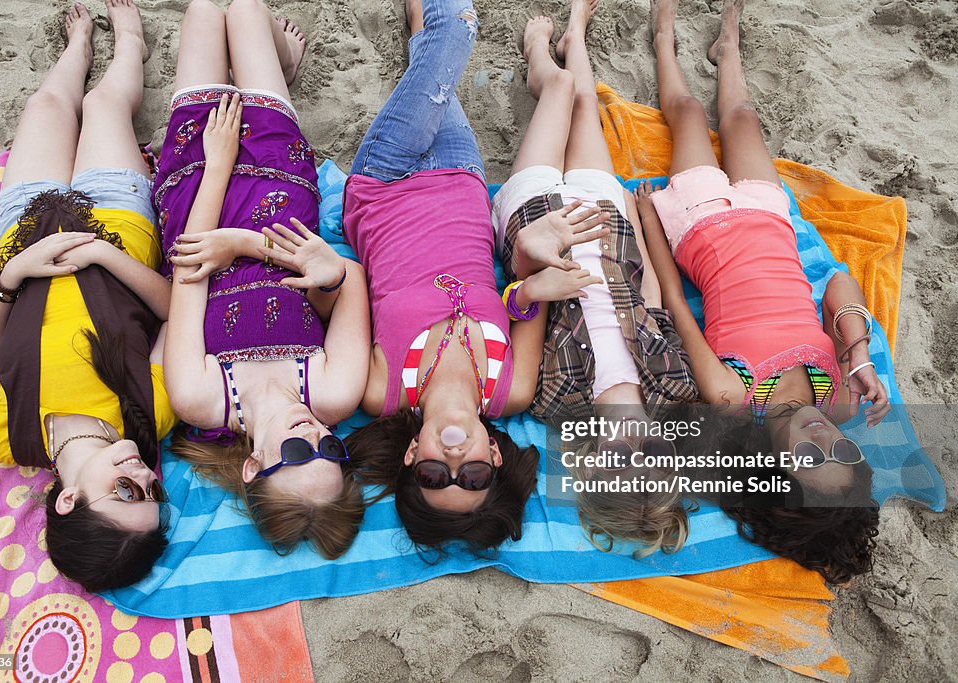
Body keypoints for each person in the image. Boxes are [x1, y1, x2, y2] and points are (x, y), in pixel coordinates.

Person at [342, 0, 605, 554]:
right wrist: (534, 279)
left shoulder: (379, 392)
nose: (456, 463)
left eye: (437, 478)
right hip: (463, 179)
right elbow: (520, 292)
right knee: (434, 66)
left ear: (412, 459)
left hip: (384, 185)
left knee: (454, 28)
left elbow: (343, 300)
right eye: (475, 478)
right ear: (495, 458)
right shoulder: (511, 390)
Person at [635, 0, 883, 582]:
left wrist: (648, 220)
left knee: (690, 113)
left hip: (700, 226)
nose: (824, 441)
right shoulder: (840, 399)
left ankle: (664, 35)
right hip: (771, 221)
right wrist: (858, 353)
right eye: (841, 454)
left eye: (808, 460)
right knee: (743, 118)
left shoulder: (732, 397)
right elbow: (839, 282)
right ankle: (728, 46)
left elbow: (675, 303)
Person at [0, 0, 177, 592]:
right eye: (153, 491)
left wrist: (11, 279)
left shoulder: (8, 438)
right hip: (113, 221)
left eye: (127, 492)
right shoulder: (148, 415)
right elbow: (175, 312)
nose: (144, 473)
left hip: (24, 232)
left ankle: (78, 45)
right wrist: (106, 255)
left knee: (47, 105)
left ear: (69, 501)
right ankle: (130, 40)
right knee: (105, 105)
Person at [158, 0, 368, 560]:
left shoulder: (201, 399)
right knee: (246, 11)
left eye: (300, 454)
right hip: (278, 196)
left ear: (253, 466)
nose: (317, 436)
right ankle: (280, 64)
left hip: (199, 195)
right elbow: (350, 277)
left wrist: (220, 162)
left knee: (205, 11)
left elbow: (188, 274)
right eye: (332, 452)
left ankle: (275, 64)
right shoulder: (334, 392)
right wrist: (321, 276)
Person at [492, 1, 698, 556]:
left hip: (536, 219)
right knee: (585, 105)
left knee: (559, 90)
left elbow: (516, 301)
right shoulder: (674, 386)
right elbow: (651, 295)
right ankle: (576, 33)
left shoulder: (555, 400)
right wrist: (632, 215)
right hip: (606, 221)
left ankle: (540, 52)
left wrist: (533, 266)